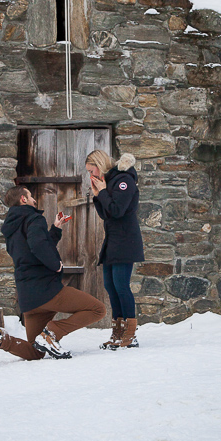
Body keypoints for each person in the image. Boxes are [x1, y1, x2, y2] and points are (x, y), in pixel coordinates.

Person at [0, 184, 106, 366]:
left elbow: (33, 247)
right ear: (23, 199)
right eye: (30, 196)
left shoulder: (12, 228)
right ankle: (51, 334)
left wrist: (55, 229)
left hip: (28, 296)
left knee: (36, 351)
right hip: (46, 289)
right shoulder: (33, 218)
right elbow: (38, 246)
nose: (34, 200)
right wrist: (57, 265)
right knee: (97, 309)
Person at [85, 150, 144, 350]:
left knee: (121, 286)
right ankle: (117, 333)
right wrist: (97, 195)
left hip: (125, 240)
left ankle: (130, 334)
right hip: (113, 240)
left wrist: (102, 192)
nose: (91, 174)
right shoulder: (109, 183)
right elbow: (106, 214)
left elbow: (117, 211)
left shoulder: (123, 180)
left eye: (91, 169)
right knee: (111, 287)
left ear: (99, 164)